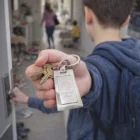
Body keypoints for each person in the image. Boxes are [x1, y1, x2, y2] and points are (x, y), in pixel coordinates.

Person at [20, 0, 140, 139]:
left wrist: (26, 99)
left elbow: (94, 76)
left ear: (87, 14)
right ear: (126, 20)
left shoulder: (90, 71)